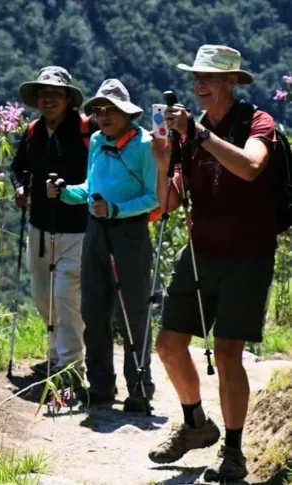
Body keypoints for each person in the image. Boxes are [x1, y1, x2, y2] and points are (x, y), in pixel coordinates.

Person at [148, 45, 277, 481]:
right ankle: (196, 425)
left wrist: (198, 136)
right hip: (201, 251)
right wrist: (165, 160)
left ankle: (235, 452)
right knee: (167, 344)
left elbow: (251, 167)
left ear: (231, 82)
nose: (199, 85)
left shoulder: (258, 122)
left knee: (227, 352)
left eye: (209, 78)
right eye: (196, 78)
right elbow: (169, 204)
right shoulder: (192, 132)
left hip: (248, 254)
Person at [47, 79, 159, 412]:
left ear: (127, 113)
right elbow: (92, 186)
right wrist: (67, 192)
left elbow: (153, 198)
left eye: (111, 110)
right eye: (99, 110)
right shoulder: (96, 140)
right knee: (93, 311)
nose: (103, 116)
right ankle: (100, 386)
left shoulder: (144, 145)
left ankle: (139, 390)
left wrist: (115, 210)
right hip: (96, 232)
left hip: (129, 234)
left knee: (132, 313)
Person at [10, 66, 96, 381]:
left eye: (55, 94)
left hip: (77, 228)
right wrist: (20, 187)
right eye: (43, 94)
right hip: (40, 227)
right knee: (43, 295)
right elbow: (18, 167)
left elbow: (98, 172)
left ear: (68, 98)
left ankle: (72, 366)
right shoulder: (33, 132)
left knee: (65, 297)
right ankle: (56, 354)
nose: (48, 99)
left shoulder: (87, 130)